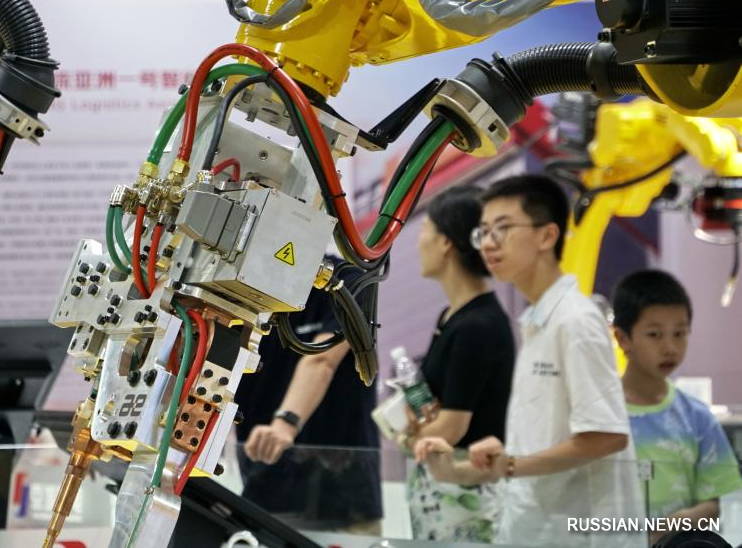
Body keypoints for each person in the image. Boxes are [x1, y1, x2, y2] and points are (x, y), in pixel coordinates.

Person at [414, 174, 645, 548]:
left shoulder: (576, 320)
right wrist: (456, 470)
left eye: (503, 229)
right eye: (483, 232)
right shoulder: (537, 322)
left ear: (547, 236)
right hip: (535, 530)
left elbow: (607, 436)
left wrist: (510, 465)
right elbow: (537, 449)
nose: (489, 243)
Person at [402, 185, 515, 543]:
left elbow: (450, 427)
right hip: (440, 493)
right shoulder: (452, 317)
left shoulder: (477, 326)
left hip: (466, 492)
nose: (418, 242)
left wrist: (408, 437)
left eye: (424, 230)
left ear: (446, 242)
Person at [234, 275, 382, 535]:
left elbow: (322, 361)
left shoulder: (347, 281)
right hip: (265, 495)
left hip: (342, 498)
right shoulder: (239, 288)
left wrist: (285, 423)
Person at [612, 269, 742, 543]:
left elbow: (714, 505)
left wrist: (671, 526)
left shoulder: (697, 417)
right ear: (623, 338)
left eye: (679, 333)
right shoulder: (600, 414)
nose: (670, 347)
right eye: (655, 334)